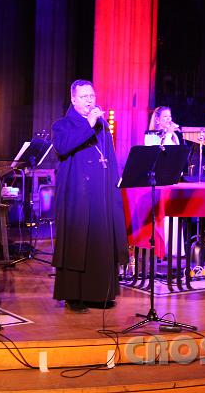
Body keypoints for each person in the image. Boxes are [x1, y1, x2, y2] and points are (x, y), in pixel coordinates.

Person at [51, 79, 129, 313]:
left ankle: (99, 293)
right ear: (73, 100)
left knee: (100, 241)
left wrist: (116, 181)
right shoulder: (62, 125)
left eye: (92, 96)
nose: (89, 101)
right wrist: (88, 124)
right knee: (77, 241)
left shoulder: (103, 126)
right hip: (77, 193)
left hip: (101, 191)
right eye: (84, 97)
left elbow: (109, 157)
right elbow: (63, 147)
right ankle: (73, 295)